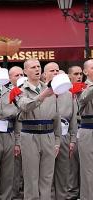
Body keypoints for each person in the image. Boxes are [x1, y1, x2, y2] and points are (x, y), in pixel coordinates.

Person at [15, 58, 61, 200]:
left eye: (38, 66)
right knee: (31, 177)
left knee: (47, 178)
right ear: (25, 71)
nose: (37, 69)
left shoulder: (50, 89)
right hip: (30, 135)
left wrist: (57, 140)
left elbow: (56, 116)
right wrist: (42, 96)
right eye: (33, 67)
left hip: (48, 135)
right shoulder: (20, 90)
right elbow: (25, 106)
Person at [0, 64, 21, 200]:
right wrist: (9, 113)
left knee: (8, 173)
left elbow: (18, 115)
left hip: (9, 133)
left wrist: (17, 141)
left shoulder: (12, 91)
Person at [44, 62, 78, 200]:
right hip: (46, 136)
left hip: (64, 137)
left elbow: (73, 120)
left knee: (63, 173)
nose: (55, 73)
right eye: (52, 70)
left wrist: (72, 140)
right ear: (44, 74)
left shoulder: (69, 95)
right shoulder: (41, 93)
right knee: (46, 174)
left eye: (57, 70)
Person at [66, 65, 83, 200]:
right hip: (71, 131)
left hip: (84, 130)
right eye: (76, 74)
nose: (79, 76)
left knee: (86, 165)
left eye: (81, 74)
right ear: (69, 75)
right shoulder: (65, 91)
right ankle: (72, 193)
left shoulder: (85, 90)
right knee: (71, 165)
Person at [78, 59, 93, 200]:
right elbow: (84, 98)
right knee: (88, 170)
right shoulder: (81, 86)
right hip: (89, 129)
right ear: (85, 71)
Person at [9, 66, 24, 199]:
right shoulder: (8, 93)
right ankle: (14, 195)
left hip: (33, 135)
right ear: (10, 78)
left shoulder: (27, 91)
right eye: (16, 75)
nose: (20, 78)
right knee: (14, 169)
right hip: (14, 135)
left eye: (21, 74)